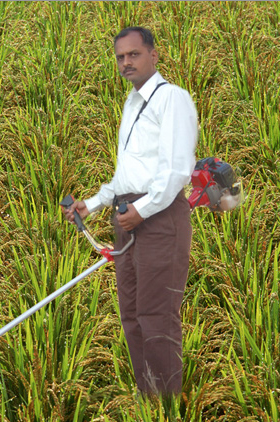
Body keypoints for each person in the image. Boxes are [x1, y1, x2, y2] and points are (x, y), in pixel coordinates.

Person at [63, 27, 198, 395]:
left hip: (160, 216)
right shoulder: (132, 102)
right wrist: (91, 204)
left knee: (157, 315)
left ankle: (167, 407)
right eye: (121, 57)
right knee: (133, 316)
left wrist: (141, 210)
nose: (126, 62)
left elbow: (174, 170)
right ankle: (147, 396)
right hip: (127, 214)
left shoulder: (173, 99)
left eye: (134, 55)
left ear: (154, 55)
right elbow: (126, 174)